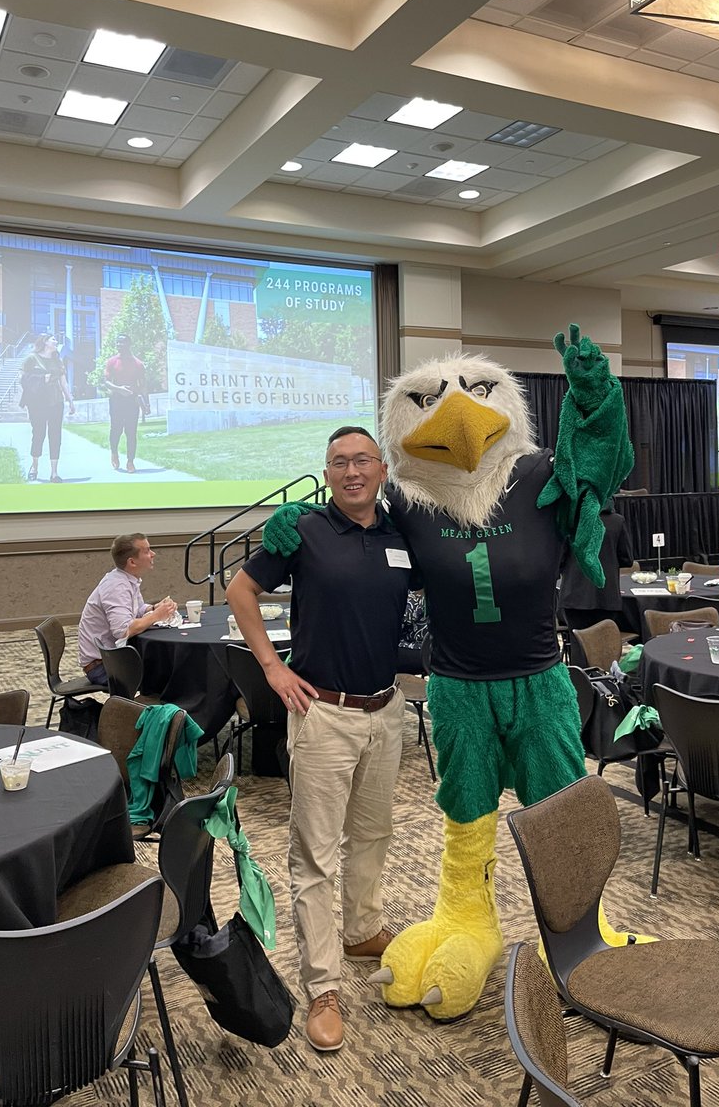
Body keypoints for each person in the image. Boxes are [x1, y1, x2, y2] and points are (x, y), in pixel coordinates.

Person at [225, 426, 415, 1054]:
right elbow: (240, 590)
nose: (351, 471)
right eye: (339, 463)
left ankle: (361, 931)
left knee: (373, 834)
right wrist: (272, 669)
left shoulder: (400, 533)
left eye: (362, 460)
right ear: (327, 473)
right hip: (324, 714)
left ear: (382, 469)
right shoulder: (303, 530)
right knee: (315, 856)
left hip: (386, 710)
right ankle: (323, 986)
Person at [77, 533, 176, 686]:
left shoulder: (126, 579)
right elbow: (122, 630)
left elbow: (136, 609)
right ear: (132, 562)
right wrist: (156, 615)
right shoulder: (116, 587)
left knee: (167, 666)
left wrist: (153, 608)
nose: (153, 554)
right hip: (103, 666)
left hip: (113, 658)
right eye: (147, 551)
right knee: (170, 672)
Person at [559, 500, 634, 661]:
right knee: (604, 648)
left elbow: (559, 559)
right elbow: (627, 559)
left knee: (578, 646)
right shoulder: (617, 522)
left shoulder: (570, 522)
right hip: (606, 596)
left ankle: (580, 676)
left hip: (574, 596)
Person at [21, 334, 74, 482]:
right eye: (53, 339)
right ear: (45, 342)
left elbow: (63, 382)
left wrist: (70, 401)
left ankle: (54, 473)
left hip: (56, 401)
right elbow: (22, 379)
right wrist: (41, 379)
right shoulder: (31, 358)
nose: (56, 341)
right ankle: (34, 467)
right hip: (37, 403)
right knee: (38, 434)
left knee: (55, 435)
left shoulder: (58, 360)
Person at [104, 334, 147, 474]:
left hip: (132, 401)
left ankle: (130, 461)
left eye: (122, 342)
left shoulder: (138, 364)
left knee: (131, 432)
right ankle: (114, 452)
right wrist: (119, 389)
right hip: (116, 400)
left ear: (129, 344)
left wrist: (146, 404)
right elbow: (106, 382)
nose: (119, 345)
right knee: (116, 430)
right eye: (117, 342)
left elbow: (143, 385)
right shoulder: (112, 362)